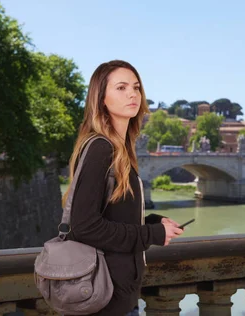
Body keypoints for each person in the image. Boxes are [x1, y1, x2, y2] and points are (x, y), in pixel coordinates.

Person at [63, 60, 184, 315]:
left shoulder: (121, 150)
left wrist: (154, 222)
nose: (133, 94)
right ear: (101, 98)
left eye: (136, 87)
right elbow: (84, 226)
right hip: (103, 302)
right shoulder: (100, 148)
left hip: (121, 299)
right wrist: (152, 235)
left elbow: (113, 216)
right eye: (121, 87)